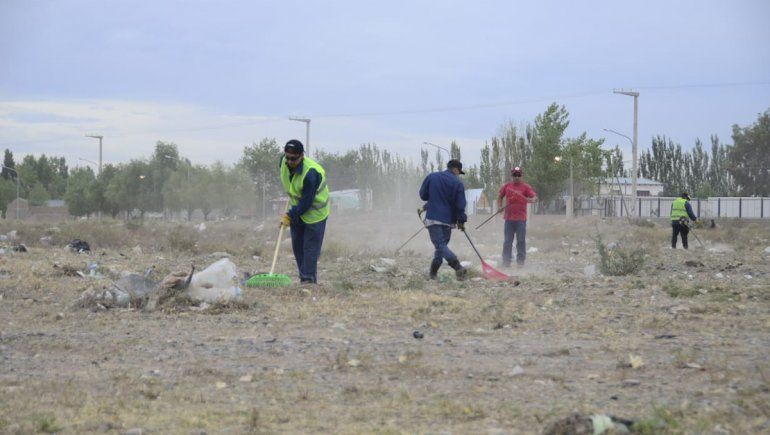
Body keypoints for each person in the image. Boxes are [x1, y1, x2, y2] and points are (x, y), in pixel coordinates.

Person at [279, 139, 330, 283]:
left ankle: (308, 281)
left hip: (315, 214)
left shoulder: (310, 173)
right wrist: (292, 214)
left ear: (301, 156)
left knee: (310, 249)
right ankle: (304, 277)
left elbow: (307, 202)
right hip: (297, 209)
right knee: (298, 247)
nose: (289, 161)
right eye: (287, 157)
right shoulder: (283, 161)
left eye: (293, 158)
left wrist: (289, 216)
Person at [418, 159, 468, 280]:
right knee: (441, 247)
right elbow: (460, 205)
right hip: (448, 221)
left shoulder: (432, 177)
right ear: (455, 169)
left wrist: (434, 197)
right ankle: (433, 274)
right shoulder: (457, 183)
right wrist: (461, 221)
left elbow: (423, 195)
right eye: (458, 172)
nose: (458, 174)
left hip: (433, 218)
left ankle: (457, 267)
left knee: (440, 246)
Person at [497, 166, 537, 267]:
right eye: (515, 175)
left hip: (521, 219)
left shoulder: (526, 187)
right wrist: (500, 206)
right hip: (509, 219)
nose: (517, 177)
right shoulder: (507, 186)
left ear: (521, 176)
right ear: (512, 176)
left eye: (518, 175)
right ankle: (506, 262)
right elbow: (500, 196)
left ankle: (520, 262)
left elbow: (533, 196)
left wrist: (533, 199)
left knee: (521, 241)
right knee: (507, 241)